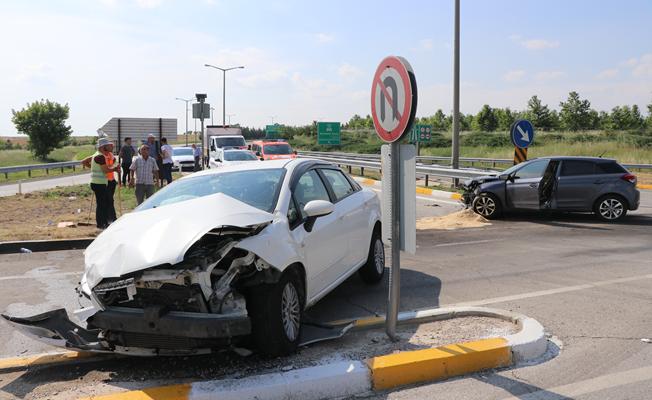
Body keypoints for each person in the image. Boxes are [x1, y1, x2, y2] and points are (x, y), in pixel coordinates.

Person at [82, 137, 120, 229]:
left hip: (100, 183)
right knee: (101, 204)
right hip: (99, 184)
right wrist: (115, 169)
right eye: (107, 145)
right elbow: (105, 170)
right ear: (103, 147)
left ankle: (104, 222)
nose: (109, 147)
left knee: (103, 203)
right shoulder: (100, 156)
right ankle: (101, 224)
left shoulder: (99, 155)